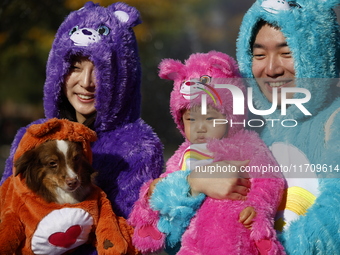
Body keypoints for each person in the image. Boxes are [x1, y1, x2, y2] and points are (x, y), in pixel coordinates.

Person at [1, 2, 163, 254]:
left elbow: (131, 238)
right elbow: (7, 208)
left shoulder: (138, 146)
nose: (86, 83)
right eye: (76, 67)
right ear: (59, 70)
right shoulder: (33, 135)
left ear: (121, 76)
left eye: (100, 69)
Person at [129, 51, 285, 255]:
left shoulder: (245, 145)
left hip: (232, 233)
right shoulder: (183, 154)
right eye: (191, 120)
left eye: (210, 119)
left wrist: (258, 207)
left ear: (231, 116)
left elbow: (270, 179)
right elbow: (171, 182)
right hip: (190, 239)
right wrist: (155, 193)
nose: (200, 128)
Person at [236, 0, 340, 253]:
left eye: (287, 53)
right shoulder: (252, 129)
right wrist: (194, 186)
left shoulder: (334, 121)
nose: (271, 69)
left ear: (318, 54)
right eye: (259, 55)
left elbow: (333, 221)